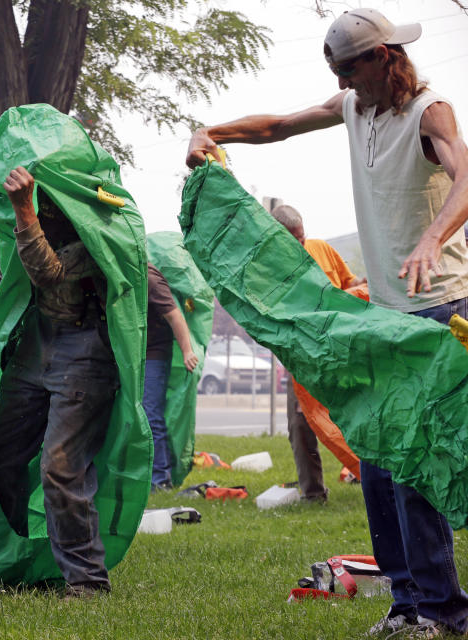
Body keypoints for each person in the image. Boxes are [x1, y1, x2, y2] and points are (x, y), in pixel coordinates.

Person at [186, 8, 468, 637]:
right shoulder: (353, 108)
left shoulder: (430, 111)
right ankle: (406, 602)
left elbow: (466, 176)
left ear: (383, 58)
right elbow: (283, 125)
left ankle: (443, 610)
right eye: (335, 71)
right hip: (385, 315)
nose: (342, 81)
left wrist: (432, 238)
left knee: (415, 465)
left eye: (348, 68)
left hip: (438, 309)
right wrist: (214, 132)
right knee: (376, 462)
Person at [0, 167, 118, 597]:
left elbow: (49, 271)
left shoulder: (103, 221)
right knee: (3, 450)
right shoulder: (31, 213)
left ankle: (87, 581)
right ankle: (12, 558)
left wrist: (25, 209)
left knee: (60, 468)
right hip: (39, 343)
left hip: (84, 349)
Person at [270, 204, 365, 503]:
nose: (301, 245)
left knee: (359, 417)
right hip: (302, 357)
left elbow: (350, 284)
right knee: (300, 424)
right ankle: (312, 493)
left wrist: (363, 289)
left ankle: (376, 479)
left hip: (342, 351)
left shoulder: (321, 249)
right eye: (293, 240)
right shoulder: (269, 267)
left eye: (302, 237)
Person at [142, 265, 199, 492]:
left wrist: (187, 351)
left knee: (150, 413)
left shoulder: (149, 278)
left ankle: (160, 479)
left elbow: (175, 315)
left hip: (153, 354)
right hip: (131, 354)